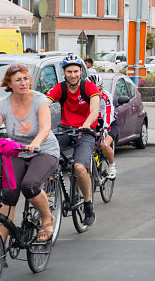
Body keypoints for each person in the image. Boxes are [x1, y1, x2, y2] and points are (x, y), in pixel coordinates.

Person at [0, 64, 60, 244]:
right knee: (9, 194)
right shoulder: (3, 104)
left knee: (30, 186)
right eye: (18, 80)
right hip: (18, 152)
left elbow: (45, 128)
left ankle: (47, 219)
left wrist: (35, 144)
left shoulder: (39, 100)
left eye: (26, 79)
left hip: (44, 150)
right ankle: (0, 242)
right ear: (9, 84)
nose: (23, 83)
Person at [46, 55, 100, 226]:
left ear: (81, 71)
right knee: (47, 159)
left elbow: (94, 110)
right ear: (64, 72)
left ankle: (87, 203)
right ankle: (50, 194)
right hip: (65, 130)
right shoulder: (60, 88)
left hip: (85, 131)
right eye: (69, 71)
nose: (73, 75)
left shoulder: (88, 87)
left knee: (79, 167)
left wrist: (85, 125)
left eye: (76, 71)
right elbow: (44, 103)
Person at [87, 74, 118, 179]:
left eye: (100, 89)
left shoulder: (106, 97)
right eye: (94, 90)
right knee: (90, 147)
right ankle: (94, 168)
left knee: (104, 144)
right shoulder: (84, 97)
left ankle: (112, 165)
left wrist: (105, 129)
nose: (98, 93)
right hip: (94, 123)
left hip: (109, 123)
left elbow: (108, 114)